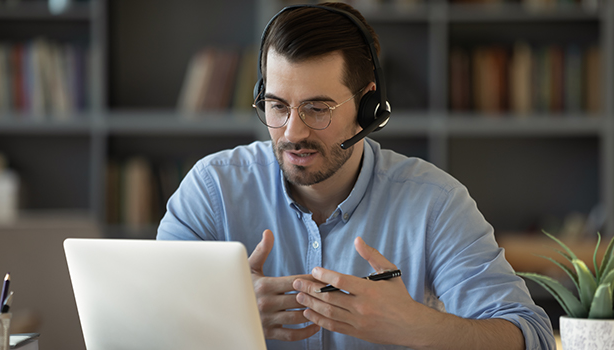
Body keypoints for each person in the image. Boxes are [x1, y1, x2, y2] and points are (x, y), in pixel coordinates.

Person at [157, 2, 555, 349]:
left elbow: (531, 335)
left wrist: (416, 326)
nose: (292, 132)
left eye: (317, 109)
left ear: (369, 109)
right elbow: (144, 321)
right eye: (277, 106)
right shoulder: (212, 189)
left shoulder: (435, 202)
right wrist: (226, 319)